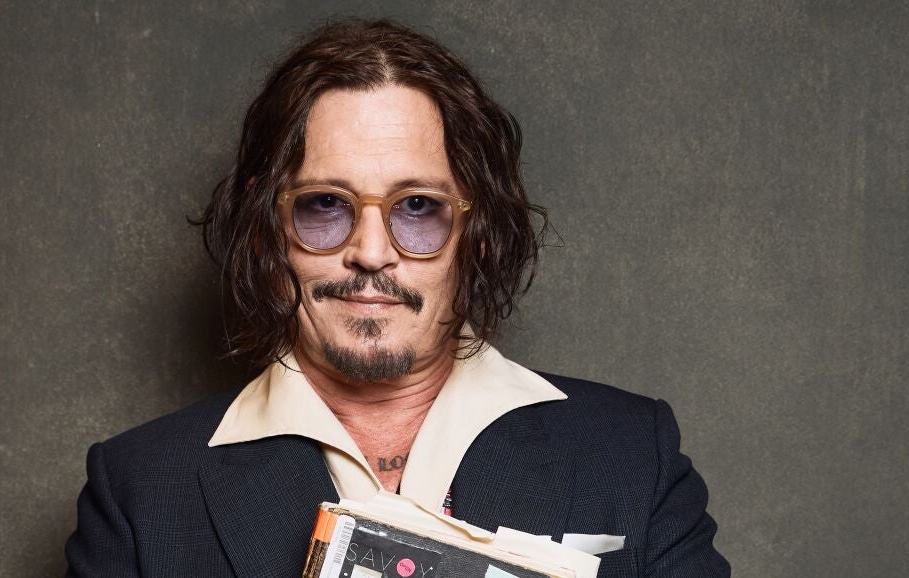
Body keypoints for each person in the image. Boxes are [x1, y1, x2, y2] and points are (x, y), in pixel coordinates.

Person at [65, 19, 729, 578]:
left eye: (417, 208)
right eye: (325, 206)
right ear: (269, 231)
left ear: (476, 234)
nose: (371, 251)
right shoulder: (140, 490)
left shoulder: (630, 454)